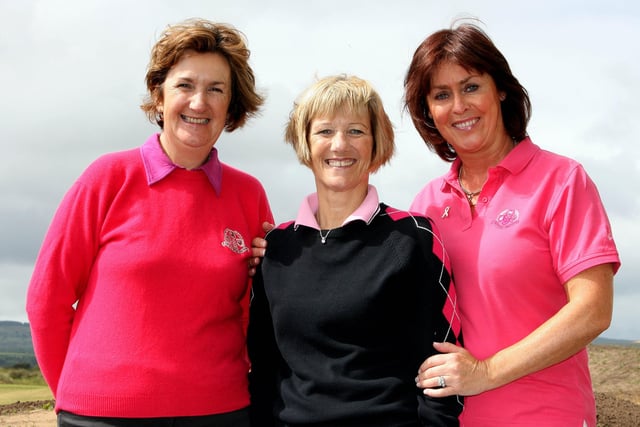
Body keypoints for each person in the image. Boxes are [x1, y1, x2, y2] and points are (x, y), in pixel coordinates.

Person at [26, 18, 273, 427]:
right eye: (185, 85)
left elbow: (258, 311)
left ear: (232, 106)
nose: (199, 102)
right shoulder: (107, 178)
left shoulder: (249, 194)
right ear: (159, 97)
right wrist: (70, 394)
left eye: (216, 90)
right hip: (102, 414)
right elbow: (46, 300)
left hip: (220, 412)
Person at [403, 23, 621, 426]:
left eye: (471, 87)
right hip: (452, 420)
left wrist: (485, 373)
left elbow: (593, 310)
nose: (459, 106)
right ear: (428, 111)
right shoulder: (426, 204)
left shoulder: (561, 181)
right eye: (441, 95)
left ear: (500, 89)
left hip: (548, 415)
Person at [247, 74, 463, 427]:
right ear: (305, 142)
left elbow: (443, 365)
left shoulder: (413, 237)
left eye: (356, 131)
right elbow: (263, 368)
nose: (339, 145)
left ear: (377, 145)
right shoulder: (276, 249)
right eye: (325, 131)